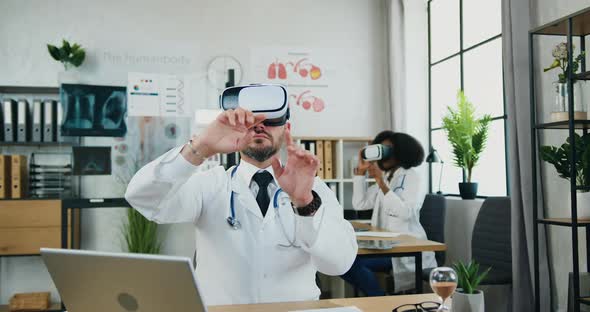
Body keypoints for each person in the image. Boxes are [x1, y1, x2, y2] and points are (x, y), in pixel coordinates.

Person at [125, 107, 357, 305]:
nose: (259, 126)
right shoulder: (210, 184)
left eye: (271, 120)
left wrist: (304, 203)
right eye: (249, 121)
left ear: (286, 129)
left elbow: (339, 264)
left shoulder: (313, 188)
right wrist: (202, 146)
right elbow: (143, 198)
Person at [341, 130, 436, 295]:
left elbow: (405, 212)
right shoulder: (387, 178)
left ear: (401, 152)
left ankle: (379, 302)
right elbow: (360, 204)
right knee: (341, 260)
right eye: (381, 149)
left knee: (353, 264)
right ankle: (379, 300)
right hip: (386, 246)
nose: (384, 155)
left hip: (405, 249)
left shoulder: (412, 177)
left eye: (388, 149)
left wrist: (380, 182)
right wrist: (361, 174)